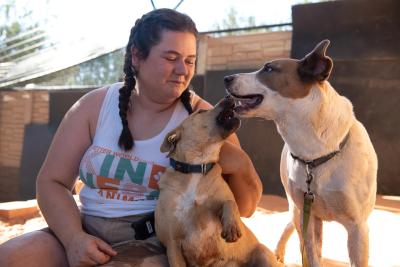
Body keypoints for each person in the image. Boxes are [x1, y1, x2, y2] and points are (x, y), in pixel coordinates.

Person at [0, 8, 262, 267]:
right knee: (10, 257)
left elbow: (245, 209)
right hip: (85, 229)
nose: (182, 70)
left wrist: (241, 166)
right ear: (137, 56)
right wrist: (73, 239)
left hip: (154, 239)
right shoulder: (95, 106)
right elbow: (51, 182)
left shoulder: (202, 120)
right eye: (171, 57)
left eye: (190, 60)